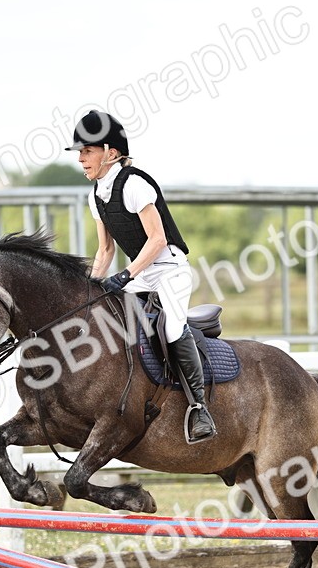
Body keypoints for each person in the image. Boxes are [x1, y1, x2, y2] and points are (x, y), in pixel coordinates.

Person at [65, 110, 216, 444]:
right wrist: (88, 290)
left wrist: (124, 276)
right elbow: (104, 250)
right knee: (108, 319)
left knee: (172, 328)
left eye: (87, 151)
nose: (80, 159)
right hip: (141, 273)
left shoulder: (135, 184)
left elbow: (158, 240)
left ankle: (199, 408)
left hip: (169, 270)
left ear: (111, 152)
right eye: (79, 152)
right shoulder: (95, 196)